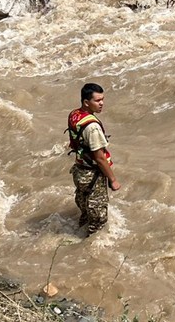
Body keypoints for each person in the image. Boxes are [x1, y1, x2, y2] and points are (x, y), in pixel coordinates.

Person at [66, 83, 120, 235]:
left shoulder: (74, 114)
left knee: (85, 206)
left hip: (79, 170)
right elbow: (100, 158)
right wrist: (113, 180)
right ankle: (87, 243)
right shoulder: (92, 128)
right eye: (97, 100)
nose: (102, 103)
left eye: (102, 99)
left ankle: (79, 230)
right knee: (99, 218)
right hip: (92, 175)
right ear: (86, 102)